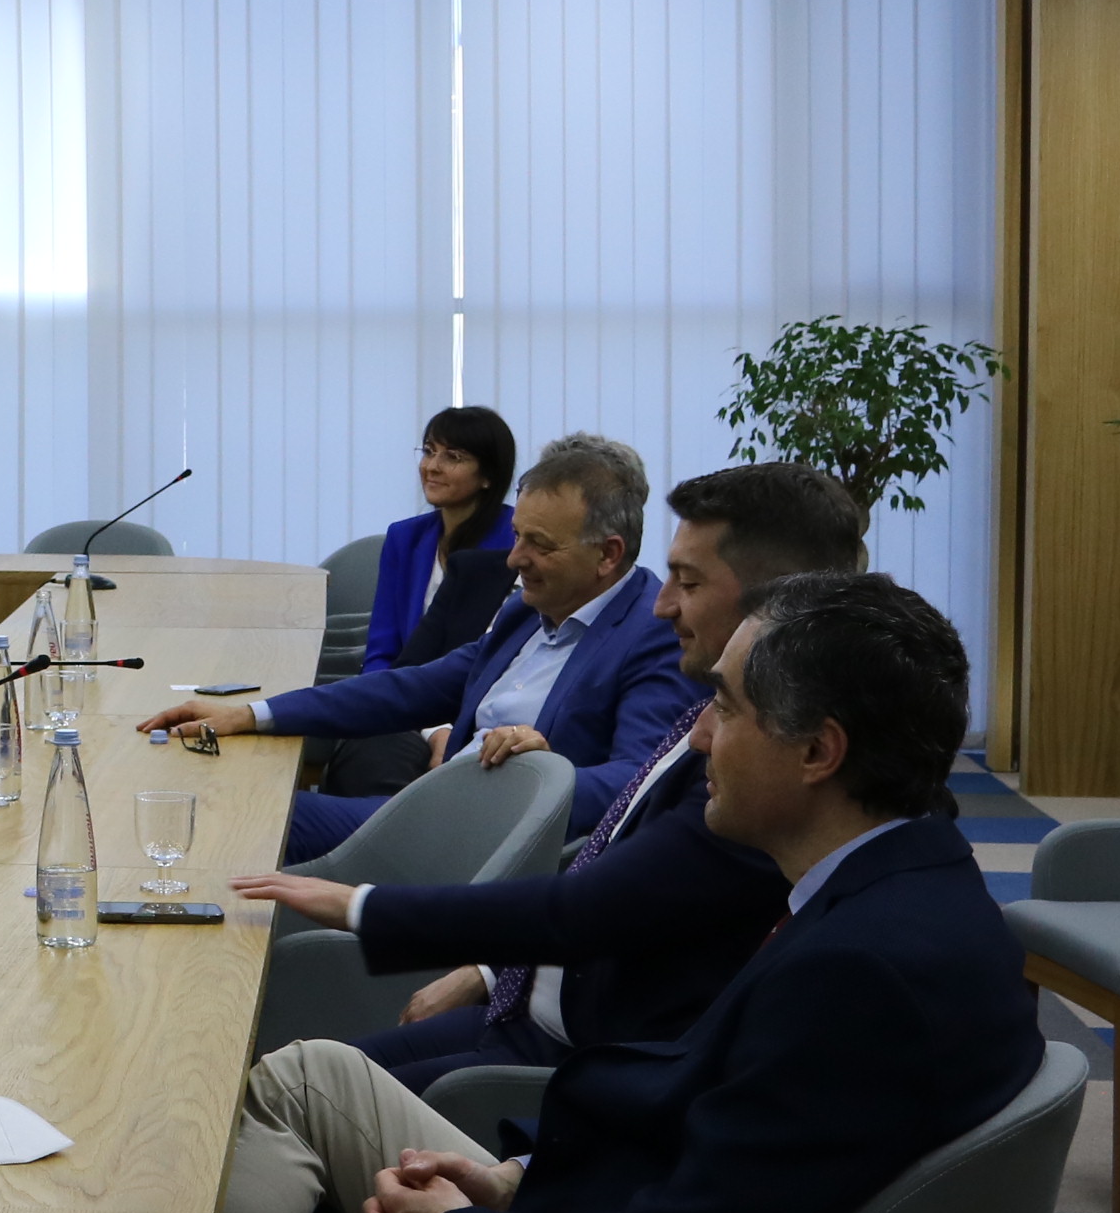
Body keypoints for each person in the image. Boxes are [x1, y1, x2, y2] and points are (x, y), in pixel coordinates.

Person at [148, 573, 1043, 1213]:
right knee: (313, 1074)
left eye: (727, 707)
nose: (699, 735)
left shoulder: (863, 975)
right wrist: (517, 1182)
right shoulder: (905, 888)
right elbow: (737, 1161)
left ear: (818, 751)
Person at [233, 463, 867, 1091]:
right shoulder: (541, 622)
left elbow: (611, 890)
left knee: (283, 1090)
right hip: (516, 1000)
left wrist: (359, 904)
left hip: (571, 1057)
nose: (664, 603)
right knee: (279, 1079)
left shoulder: (757, 778)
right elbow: (417, 688)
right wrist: (255, 714)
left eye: (690, 581)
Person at [143, 433, 694, 860]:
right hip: (434, 809)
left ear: (608, 554)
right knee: (222, 801)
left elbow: (642, 780)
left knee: (246, 819)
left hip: (489, 847)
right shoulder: (528, 611)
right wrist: (252, 714)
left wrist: (541, 774)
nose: (514, 558)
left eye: (539, 545)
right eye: (517, 535)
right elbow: (409, 688)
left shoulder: (652, 633)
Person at [324, 407, 520, 797]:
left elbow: (501, 660)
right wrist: (398, 711)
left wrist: (445, 728)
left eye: (453, 457)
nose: (432, 466)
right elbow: (382, 652)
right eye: (429, 451)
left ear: (488, 476)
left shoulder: (517, 540)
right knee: (370, 754)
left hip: (482, 714)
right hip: (409, 705)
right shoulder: (405, 539)